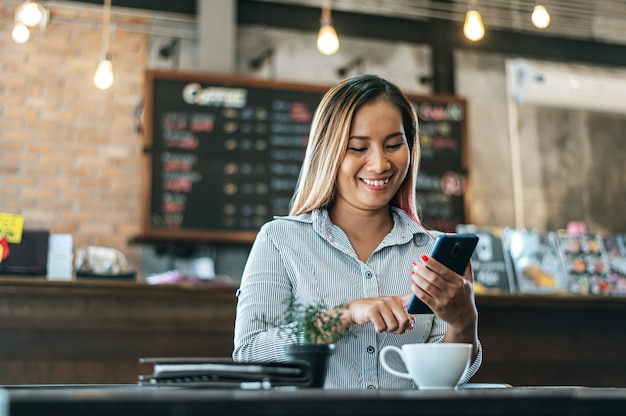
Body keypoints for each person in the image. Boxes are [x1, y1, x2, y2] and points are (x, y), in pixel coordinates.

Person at [233, 74, 482, 389]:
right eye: (358, 148)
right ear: (328, 153)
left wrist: (464, 323)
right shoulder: (279, 241)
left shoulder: (433, 252)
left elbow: (442, 383)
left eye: (393, 145)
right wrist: (345, 315)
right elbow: (249, 353)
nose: (380, 164)